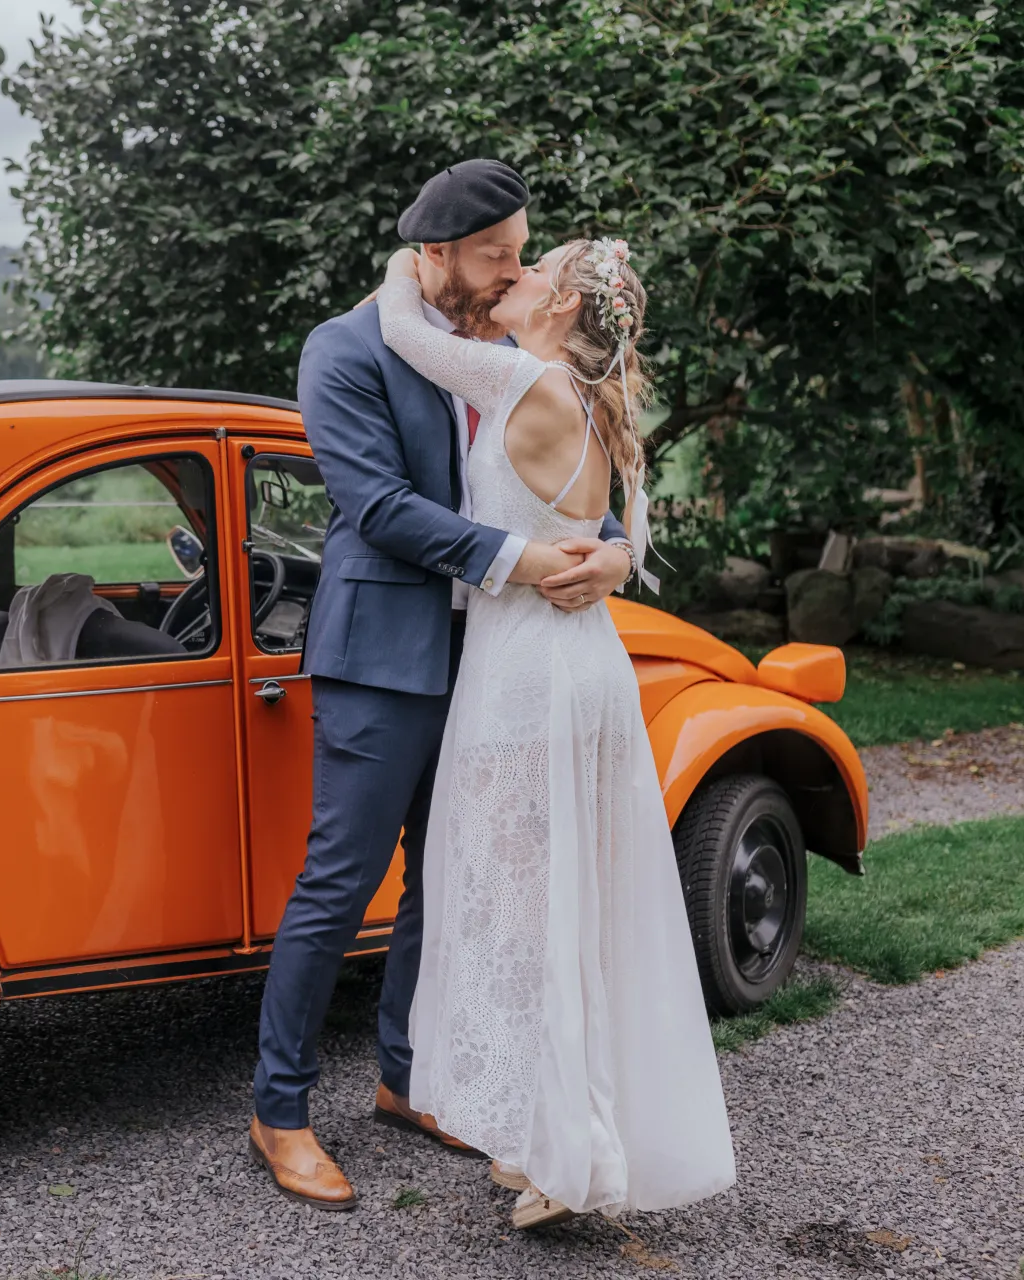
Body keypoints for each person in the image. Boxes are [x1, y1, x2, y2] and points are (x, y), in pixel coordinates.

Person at [247, 160, 637, 1212]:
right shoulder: (345, 346)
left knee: (448, 875)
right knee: (341, 878)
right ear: (434, 254)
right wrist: (525, 561)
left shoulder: (508, 345)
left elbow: (555, 468)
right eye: (493, 255)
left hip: (498, 660)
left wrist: (607, 549)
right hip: (384, 654)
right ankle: (278, 1110)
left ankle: (407, 1077)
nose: (511, 269)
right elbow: (374, 504)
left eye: (520, 251)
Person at [375, 230, 736, 1227]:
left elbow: (406, 329)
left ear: (566, 307)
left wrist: (417, 258)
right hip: (583, 671)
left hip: (528, 677)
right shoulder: (584, 401)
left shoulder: (527, 381)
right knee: (568, 901)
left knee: (529, 908)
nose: (515, 275)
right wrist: (614, 557)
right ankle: (555, 1130)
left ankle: (565, 1156)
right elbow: (603, 531)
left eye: (532, 266)